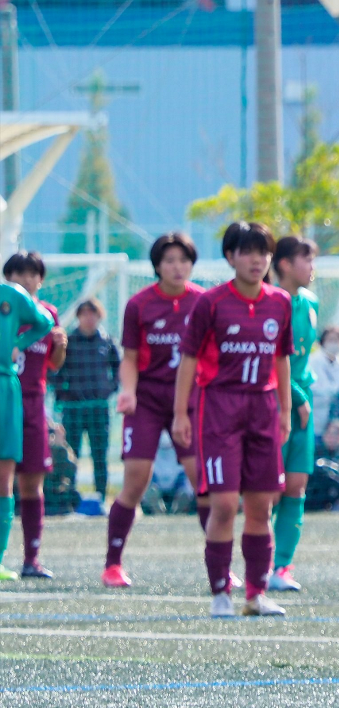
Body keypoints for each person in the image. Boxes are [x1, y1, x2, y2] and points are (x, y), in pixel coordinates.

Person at [173, 222, 293, 619]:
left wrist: (285, 409)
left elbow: (281, 359)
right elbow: (189, 359)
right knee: (224, 504)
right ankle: (221, 592)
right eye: (248, 252)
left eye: (264, 252)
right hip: (219, 408)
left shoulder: (280, 302)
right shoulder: (211, 303)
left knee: (261, 506)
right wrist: (180, 413)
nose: (257, 260)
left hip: (263, 409)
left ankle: (256, 594)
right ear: (230, 257)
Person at [107, 232, 205, 588]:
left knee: (203, 482)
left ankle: (221, 565)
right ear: (157, 266)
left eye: (184, 260)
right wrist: (128, 392)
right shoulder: (139, 305)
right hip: (147, 401)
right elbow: (130, 358)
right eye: (170, 261)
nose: (178, 267)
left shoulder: (204, 302)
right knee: (135, 481)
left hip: (190, 402)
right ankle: (113, 564)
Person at [5, 251, 66, 579]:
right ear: (8, 278)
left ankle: (32, 558)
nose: (26, 280)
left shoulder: (49, 315)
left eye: (33, 274)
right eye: (19, 274)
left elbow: (54, 363)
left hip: (33, 404)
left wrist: (61, 345)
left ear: (41, 280)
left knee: (32, 483)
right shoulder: (5, 309)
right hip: (4, 401)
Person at [268, 236, 320, 593]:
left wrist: (303, 395)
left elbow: (300, 359)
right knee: (269, 490)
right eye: (307, 260)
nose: (312, 268)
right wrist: (296, 397)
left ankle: (282, 566)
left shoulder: (310, 302)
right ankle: (259, 563)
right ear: (285, 264)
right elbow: (270, 358)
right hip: (274, 402)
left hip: (303, 405)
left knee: (296, 485)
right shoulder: (270, 302)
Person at [0, 278, 54, 577]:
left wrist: (17, 344)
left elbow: (44, 322)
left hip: (7, 389)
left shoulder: (12, 295)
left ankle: (3, 558)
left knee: (5, 477)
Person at [53, 298, 120, 505]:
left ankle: (101, 497)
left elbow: (119, 369)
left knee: (100, 454)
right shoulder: (69, 341)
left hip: (98, 408)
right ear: (78, 317)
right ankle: (69, 498)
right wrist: (63, 393)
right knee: (71, 453)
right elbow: (55, 369)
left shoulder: (107, 341)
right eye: (84, 314)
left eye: (93, 314)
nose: (88, 318)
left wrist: (109, 389)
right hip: (73, 408)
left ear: (99, 316)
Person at [43, 422, 81, 516]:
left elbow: (72, 469)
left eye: (51, 433)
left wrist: (61, 447)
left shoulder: (59, 449)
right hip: (39, 491)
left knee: (74, 496)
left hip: (56, 494)